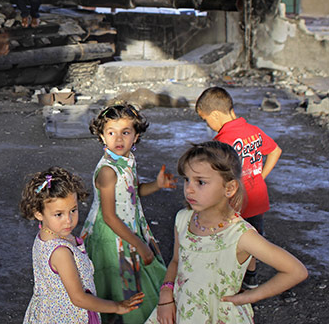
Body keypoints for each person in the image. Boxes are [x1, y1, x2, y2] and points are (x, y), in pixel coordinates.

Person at [149, 141, 306, 324]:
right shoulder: (183, 219)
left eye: (200, 182)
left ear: (229, 188)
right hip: (181, 310)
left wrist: (250, 297)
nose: (189, 188)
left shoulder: (240, 235)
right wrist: (166, 295)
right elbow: (176, 261)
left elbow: (296, 271)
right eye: (187, 179)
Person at [80, 103, 175, 323]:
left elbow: (134, 192)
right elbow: (110, 216)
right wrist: (140, 245)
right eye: (111, 133)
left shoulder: (127, 159)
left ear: (136, 136)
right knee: (118, 284)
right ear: (102, 137)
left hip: (128, 230)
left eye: (126, 132)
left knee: (127, 285)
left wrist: (157, 185)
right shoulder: (107, 171)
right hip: (112, 236)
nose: (118, 139)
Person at [20, 166, 144, 324]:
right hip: (69, 317)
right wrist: (117, 307)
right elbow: (79, 298)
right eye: (59, 214)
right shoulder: (61, 252)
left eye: (73, 210)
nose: (68, 220)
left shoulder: (50, 234)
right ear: (38, 213)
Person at [195, 86, 282, 289]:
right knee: (251, 239)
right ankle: (250, 280)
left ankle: (227, 281)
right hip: (257, 199)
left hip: (234, 203)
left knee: (228, 239)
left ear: (215, 114)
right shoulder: (253, 132)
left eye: (205, 119)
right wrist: (260, 177)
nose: (207, 124)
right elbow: (275, 150)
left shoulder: (220, 143)